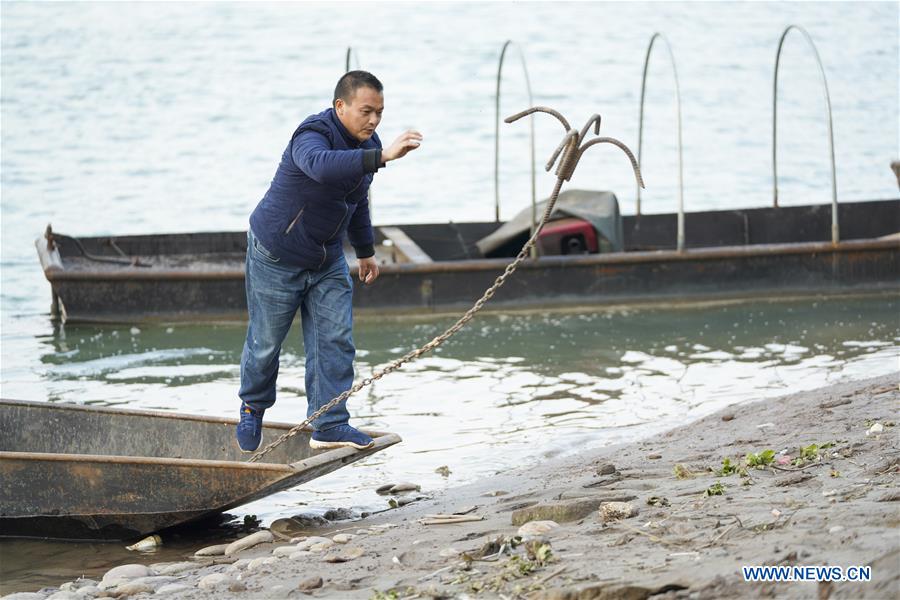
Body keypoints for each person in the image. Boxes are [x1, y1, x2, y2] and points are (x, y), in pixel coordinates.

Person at [236, 70, 422, 453]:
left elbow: (356, 202)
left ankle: (330, 423)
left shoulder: (370, 145)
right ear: (341, 106)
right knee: (266, 343)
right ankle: (253, 407)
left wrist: (366, 250)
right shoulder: (311, 135)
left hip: (326, 258)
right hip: (277, 254)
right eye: (366, 111)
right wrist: (380, 157)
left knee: (335, 339)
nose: (373, 121)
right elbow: (321, 167)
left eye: (380, 113)